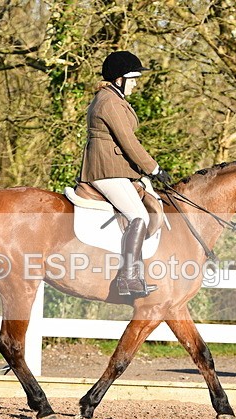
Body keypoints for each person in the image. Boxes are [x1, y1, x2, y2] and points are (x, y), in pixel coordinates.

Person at [79, 50, 171, 297]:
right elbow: (128, 142)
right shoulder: (109, 102)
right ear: (119, 79)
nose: (136, 83)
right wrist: (154, 168)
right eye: (133, 79)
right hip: (105, 170)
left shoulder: (114, 99)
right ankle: (128, 278)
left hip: (116, 168)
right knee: (138, 216)